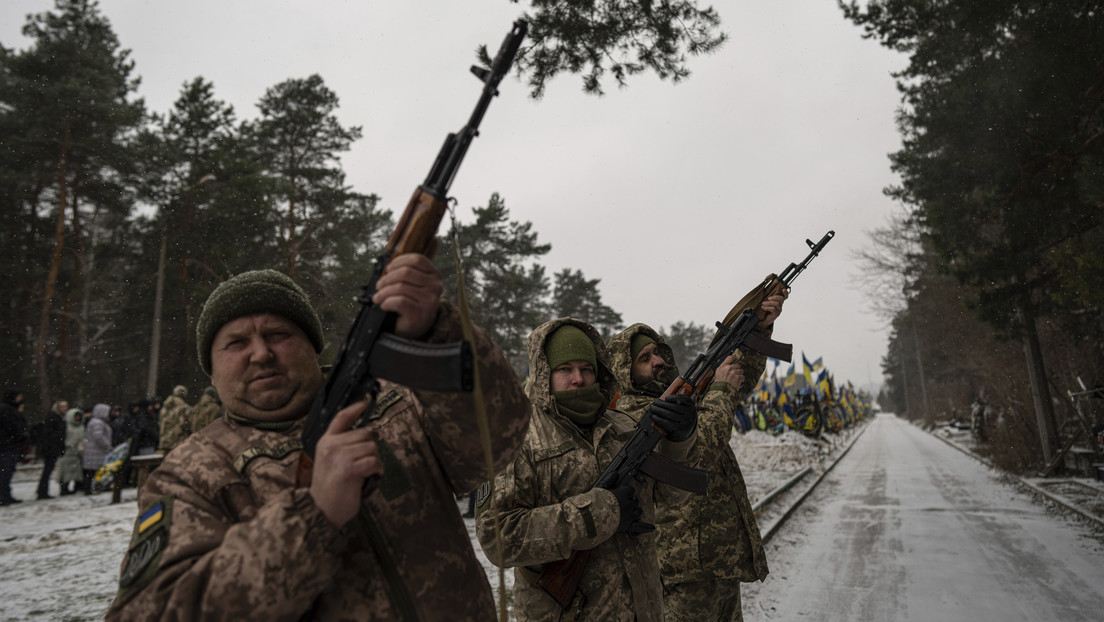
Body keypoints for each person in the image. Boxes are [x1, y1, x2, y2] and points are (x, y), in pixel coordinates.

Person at [106, 258, 530, 621]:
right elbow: (152, 610)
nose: (260, 353)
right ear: (212, 373)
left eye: (277, 334)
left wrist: (436, 330)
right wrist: (315, 514)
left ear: (313, 346)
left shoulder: (393, 404)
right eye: (236, 343)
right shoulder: (189, 474)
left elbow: (500, 439)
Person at [475, 318, 699, 621]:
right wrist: (598, 513)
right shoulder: (515, 439)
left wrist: (680, 439)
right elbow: (498, 537)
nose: (578, 379)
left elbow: (674, 498)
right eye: (564, 369)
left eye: (587, 368)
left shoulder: (623, 428)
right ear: (544, 373)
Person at [605, 291, 785, 622]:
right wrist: (722, 391)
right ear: (623, 370)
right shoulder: (630, 415)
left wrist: (758, 330)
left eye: (658, 353)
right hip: (682, 567)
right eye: (645, 358)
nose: (658, 360)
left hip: (717, 557)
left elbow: (733, 382)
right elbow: (700, 452)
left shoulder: (675, 401)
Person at [1, 387, 30, 505]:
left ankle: (5, 495)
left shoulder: (9, 409)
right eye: (19, 397)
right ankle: (3, 496)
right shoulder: (7, 410)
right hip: (6, 446)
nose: (21, 399)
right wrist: (22, 436)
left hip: (9, 445)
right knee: (5, 472)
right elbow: (13, 427)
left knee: (7, 472)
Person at [34, 399, 68, 499]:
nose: (65, 408)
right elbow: (49, 434)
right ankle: (42, 491)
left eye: (65, 406)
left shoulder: (59, 418)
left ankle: (42, 491)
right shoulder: (54, 417)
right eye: (62, 406)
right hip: (50, 448)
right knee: (47, 470)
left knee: (48, 470)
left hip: (53, 447)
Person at [81, 403, 114, 495]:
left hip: (94, 450)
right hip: (95, 451)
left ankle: (90, 488)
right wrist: (107, 445)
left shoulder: (96, 422)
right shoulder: (97, 423)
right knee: (92, 471)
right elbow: (98, 436)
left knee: (91, 471)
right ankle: (90, 489)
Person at [57, 407, 85, 495]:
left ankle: (76, 487)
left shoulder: (81, 426)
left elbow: (84, 437)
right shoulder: (65, 426)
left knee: (76, 472)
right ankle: (64, 488)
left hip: (78, 452)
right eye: (76, 416)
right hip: (67, 452)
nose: (77, 418)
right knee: (65, 472)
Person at [157, 385, 193, 454]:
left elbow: (160, 422)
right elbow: (187, 424)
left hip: (165, 442)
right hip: (178, 441)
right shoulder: (184, 407)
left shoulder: (165, 407)